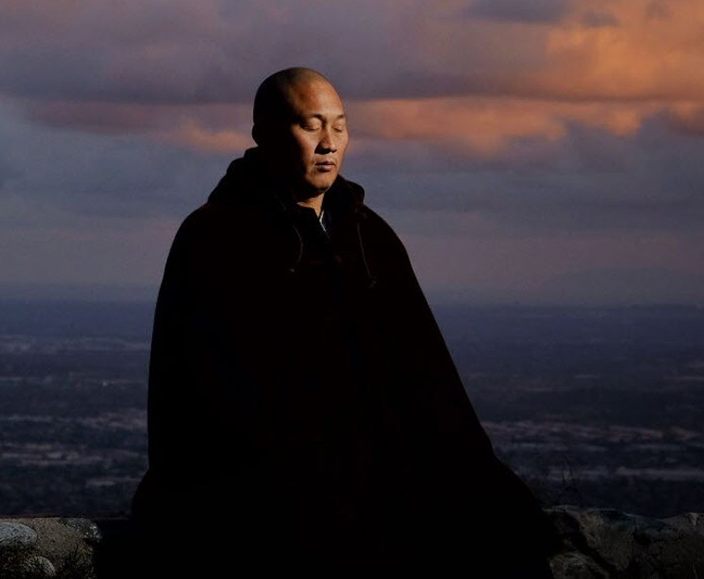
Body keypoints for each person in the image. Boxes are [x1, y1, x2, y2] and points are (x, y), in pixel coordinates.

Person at [127, 67, 560, 576]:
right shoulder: (215, 237)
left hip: (379, 475)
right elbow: (195, 390)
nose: (329, 143)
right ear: (264, 133)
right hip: (271, 487)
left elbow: (429, 373)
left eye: (340, 125)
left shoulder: (369, 237)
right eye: (311, 125)